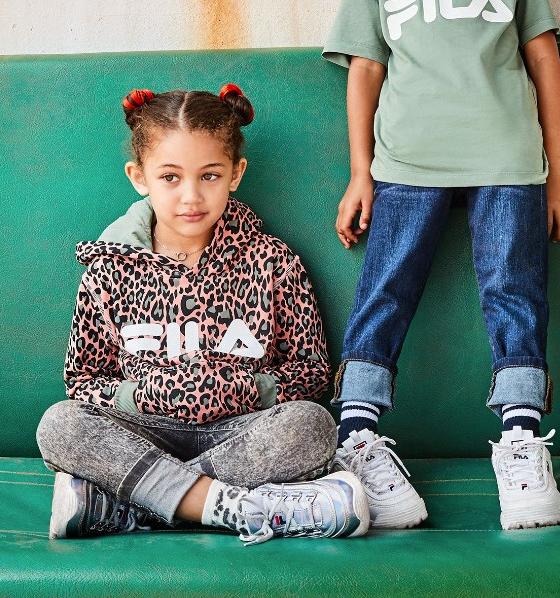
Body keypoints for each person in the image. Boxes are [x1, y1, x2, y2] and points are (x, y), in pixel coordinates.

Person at [323, 0, 560, 532]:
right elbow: (364, 73)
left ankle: (522, 445)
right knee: (386, 289)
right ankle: (358, 440)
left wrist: (559, 174)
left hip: (508, 162)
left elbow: (544, 64)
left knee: (515, 293)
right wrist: (360, 172)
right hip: (406, 164)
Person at [37, 85, 369, 545]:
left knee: (312, 426)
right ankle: (228, 507)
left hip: (239, 433)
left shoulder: (272, 261)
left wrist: (245, 390)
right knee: (60, 424)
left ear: (236, 173)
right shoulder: (108, 270)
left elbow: (311, 373)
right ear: (139, 177)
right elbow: (83, 380)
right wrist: (144, 396)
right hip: (148, 433)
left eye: (209, 175)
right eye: (170, 177)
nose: (191, 196)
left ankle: (131, 506)